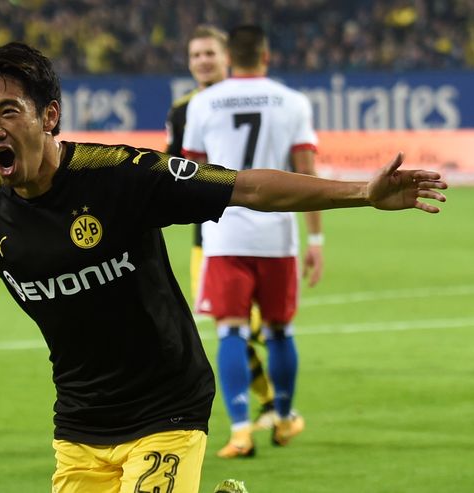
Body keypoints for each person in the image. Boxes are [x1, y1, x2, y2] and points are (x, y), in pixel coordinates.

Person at [0, 42, 447, 493]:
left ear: (49, 116)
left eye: (9, 109)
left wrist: (361, 192)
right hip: (81, 423)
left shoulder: (122, 175)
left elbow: (246, 185)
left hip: (168, 405)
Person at [182, 24, 324, 458]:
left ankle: (241, 429)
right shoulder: (293, 102)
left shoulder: (202, 102)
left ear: (230, 59)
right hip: (277, 235)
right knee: (281, 330)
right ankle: (283, 418)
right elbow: (307, 175)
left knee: (231, 331)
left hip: (224, 234)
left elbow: (190, 172)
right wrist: (315, 237)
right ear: (265, 57)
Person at [166, 25, 279, 435]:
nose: (203, 62)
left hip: (261, 227)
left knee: (239, 325)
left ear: (227, 56)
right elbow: (171, 166)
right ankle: (270, 403)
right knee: (227, 324)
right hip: (209, 236)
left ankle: (270, 396)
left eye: (209, 54)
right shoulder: (182, 110)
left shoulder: (252, 98)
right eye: (195, 55)